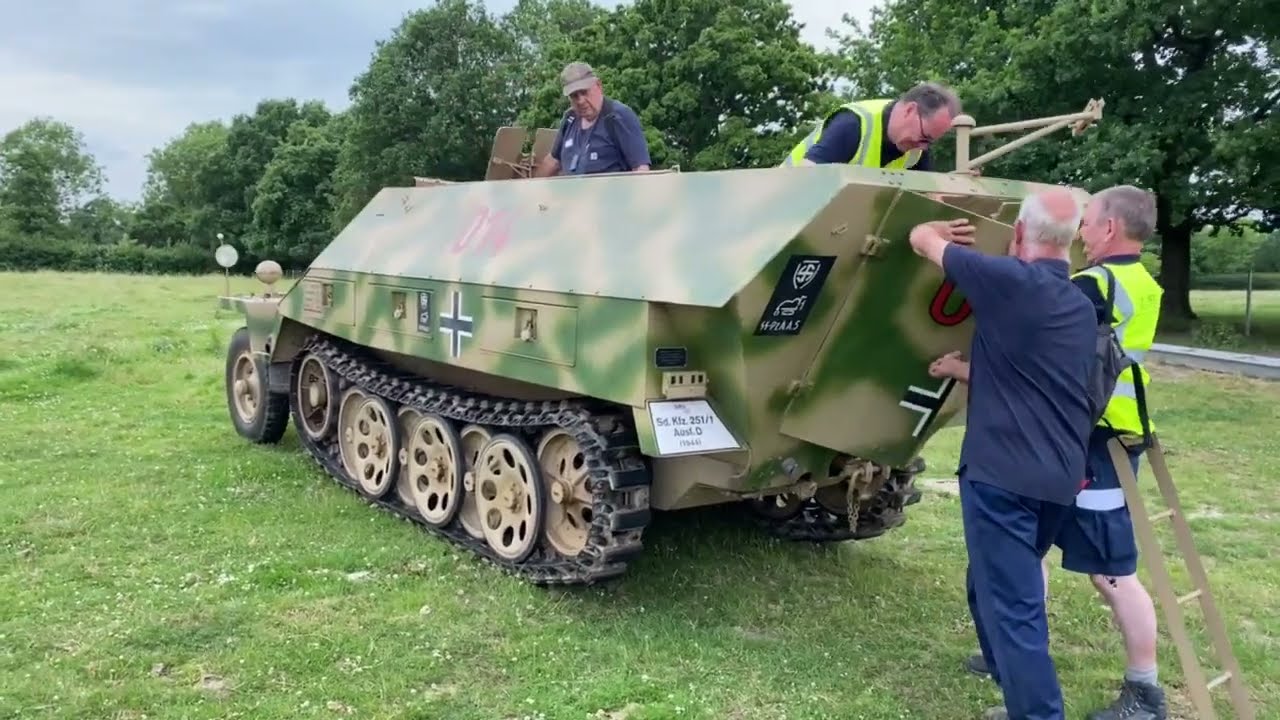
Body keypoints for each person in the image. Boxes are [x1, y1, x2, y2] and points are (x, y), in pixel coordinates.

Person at [951, 185, 1167, 720]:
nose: (1084, 234)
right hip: (1092, 437)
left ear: (1111, 229)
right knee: (1025, 563)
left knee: (1111, 572)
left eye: (1090, 222)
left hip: (1094, 442)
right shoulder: (1143, 282)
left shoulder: (1091, 286)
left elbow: (1035, 350)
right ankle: (1011, 655)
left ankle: (1144, 690)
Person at [911, 186, 1098, 720]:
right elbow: (1029, 374)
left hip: (1003, 478)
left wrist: (941, 233)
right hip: (1059, 478)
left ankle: (1036, 712)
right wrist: (960, 370)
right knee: (992, 575)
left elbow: (921, 240)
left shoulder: (1007, 279)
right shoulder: (1078, 306)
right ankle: (998, 661)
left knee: (1016, 609)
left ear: (1018, 234)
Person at [779, 81, 961, 169]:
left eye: (930, 142)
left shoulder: (918, 149)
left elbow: (927, 199)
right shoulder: (852, 125)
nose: (924, 147)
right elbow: (804, 176)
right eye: (925, 137)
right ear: (910, 111)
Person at [534, 61, 651, 177]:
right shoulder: (570, 119)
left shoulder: (618, 117)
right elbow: (553, 161)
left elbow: (641, 169)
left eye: (584, 92)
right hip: (572, 194)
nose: (580, 100)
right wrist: (531, 187)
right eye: (574, 96)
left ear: (598, 86)